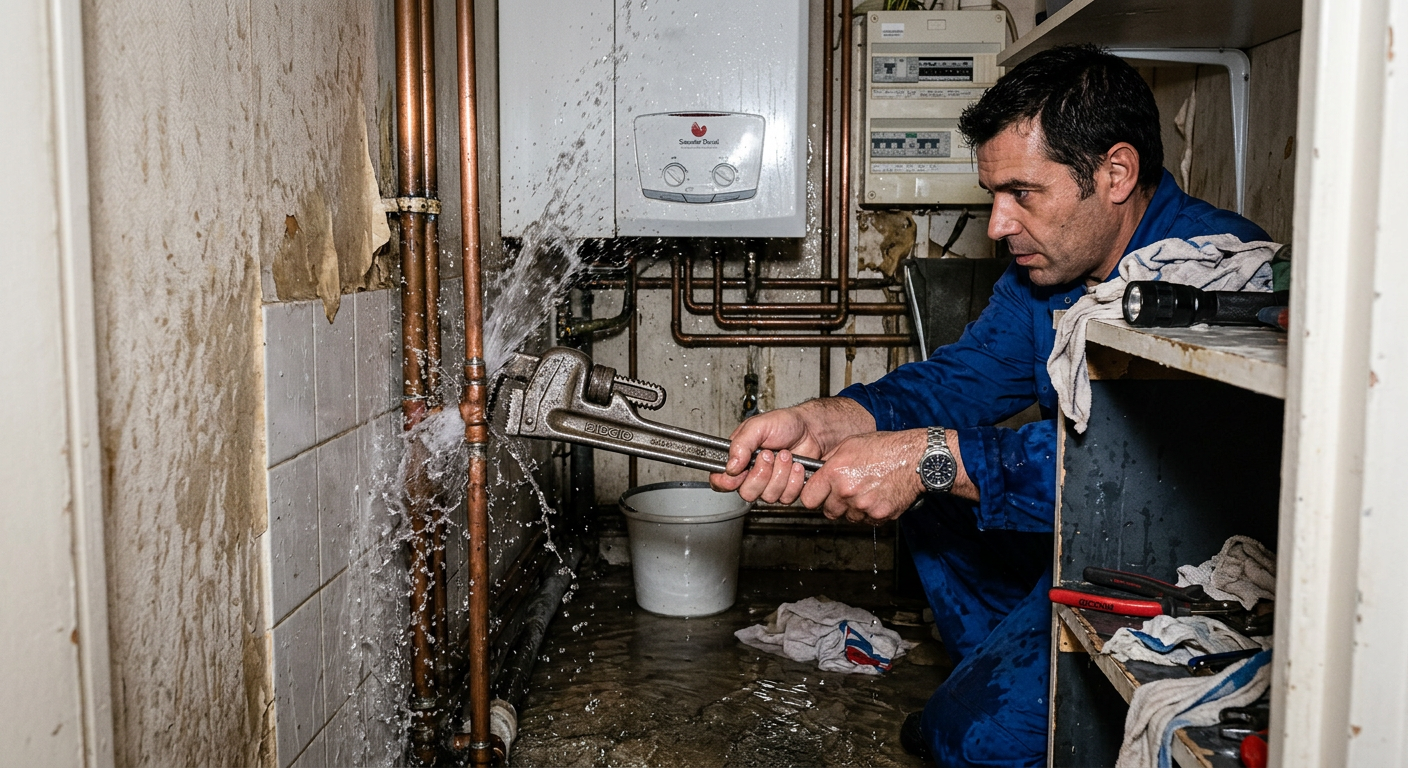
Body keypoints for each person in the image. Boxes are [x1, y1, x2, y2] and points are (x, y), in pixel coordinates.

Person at [709, 44, 1270, 767]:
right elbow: (956, 382)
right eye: (992, 196)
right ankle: (1007, 689)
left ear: (1116, 173)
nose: (999, 225)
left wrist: (925, 457)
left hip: (1175, 562)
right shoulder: (1047, 274)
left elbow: (1141, 476)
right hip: (1084, 538)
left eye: (1023, 193)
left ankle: (994, 720)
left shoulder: (1210, 281)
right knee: (932, 492)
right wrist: (820, 423)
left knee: (961, 736)